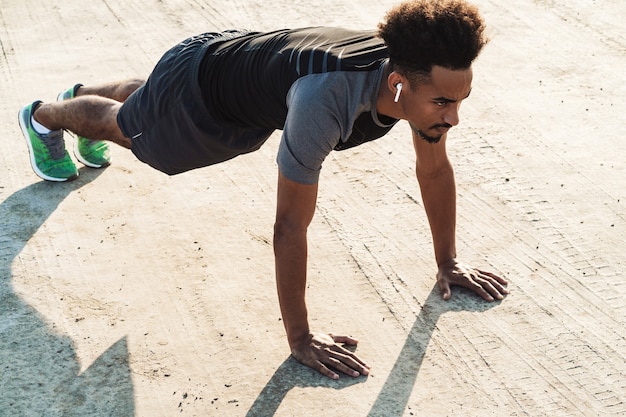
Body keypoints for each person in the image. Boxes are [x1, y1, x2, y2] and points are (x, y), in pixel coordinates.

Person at [18, 0, 509, 379]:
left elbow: (434, 170)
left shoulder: (411, 64)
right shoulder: (325, 102)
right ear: (398, 83)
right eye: (444, 102)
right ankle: (44, 116)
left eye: (462, 98)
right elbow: (289, 223)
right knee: (127, 129)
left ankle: (80, 95)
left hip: (221, 60)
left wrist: (448, 262)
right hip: (204, 100)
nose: (454, 115)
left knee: (148, 102)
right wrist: (300, 336)